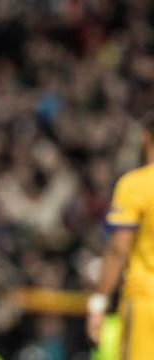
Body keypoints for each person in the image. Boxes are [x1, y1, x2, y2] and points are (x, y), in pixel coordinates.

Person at [87, 113, 154, 358]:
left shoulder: (136, 185)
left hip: (146, 299)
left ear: (146, 138)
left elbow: (118, 250)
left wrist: (98, 303)